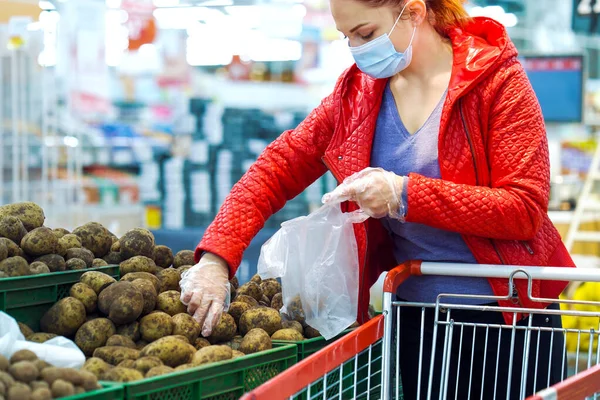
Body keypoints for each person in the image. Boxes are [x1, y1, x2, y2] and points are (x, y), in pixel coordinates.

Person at [179, 0, 576, 398]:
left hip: (508, 321)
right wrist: (217, 258)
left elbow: (523, 208)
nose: (356, 49)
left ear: (414, 12)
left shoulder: (496, 82)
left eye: (365, 34)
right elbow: (276, 167)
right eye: (347, 37)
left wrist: (404, 194)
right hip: (418, 318)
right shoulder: (356, 97)